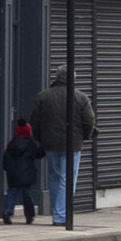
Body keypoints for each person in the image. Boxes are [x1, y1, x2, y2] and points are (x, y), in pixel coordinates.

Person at [31, 65, 96, 227]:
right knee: (67, 179)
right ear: (72, 79)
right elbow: (89, 121)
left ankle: (57, 212)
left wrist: (41, 139)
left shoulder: (43, 96)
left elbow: (35, 122)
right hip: (72, 144)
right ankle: (61, 216)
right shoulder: (80, 97)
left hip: (50, 143)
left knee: (54, 177)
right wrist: (85, 137)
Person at [1, 118, 43, 224]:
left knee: (12, 193)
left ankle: (8, 211)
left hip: (13, 174)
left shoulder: (11, 144)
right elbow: (39, 154)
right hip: (27, 174)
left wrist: (7, 169)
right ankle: (29, 215)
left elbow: (5, 159)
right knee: (27, 195)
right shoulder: (31, 144)